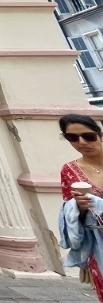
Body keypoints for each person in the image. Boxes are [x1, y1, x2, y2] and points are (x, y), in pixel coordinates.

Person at [59, 113, 103, 301]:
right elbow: (70, 212)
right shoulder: (69, 171)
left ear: (100, 135)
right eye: (73, 138)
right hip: (99, 243)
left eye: (88, 136)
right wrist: (80, 207)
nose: (82, 142)